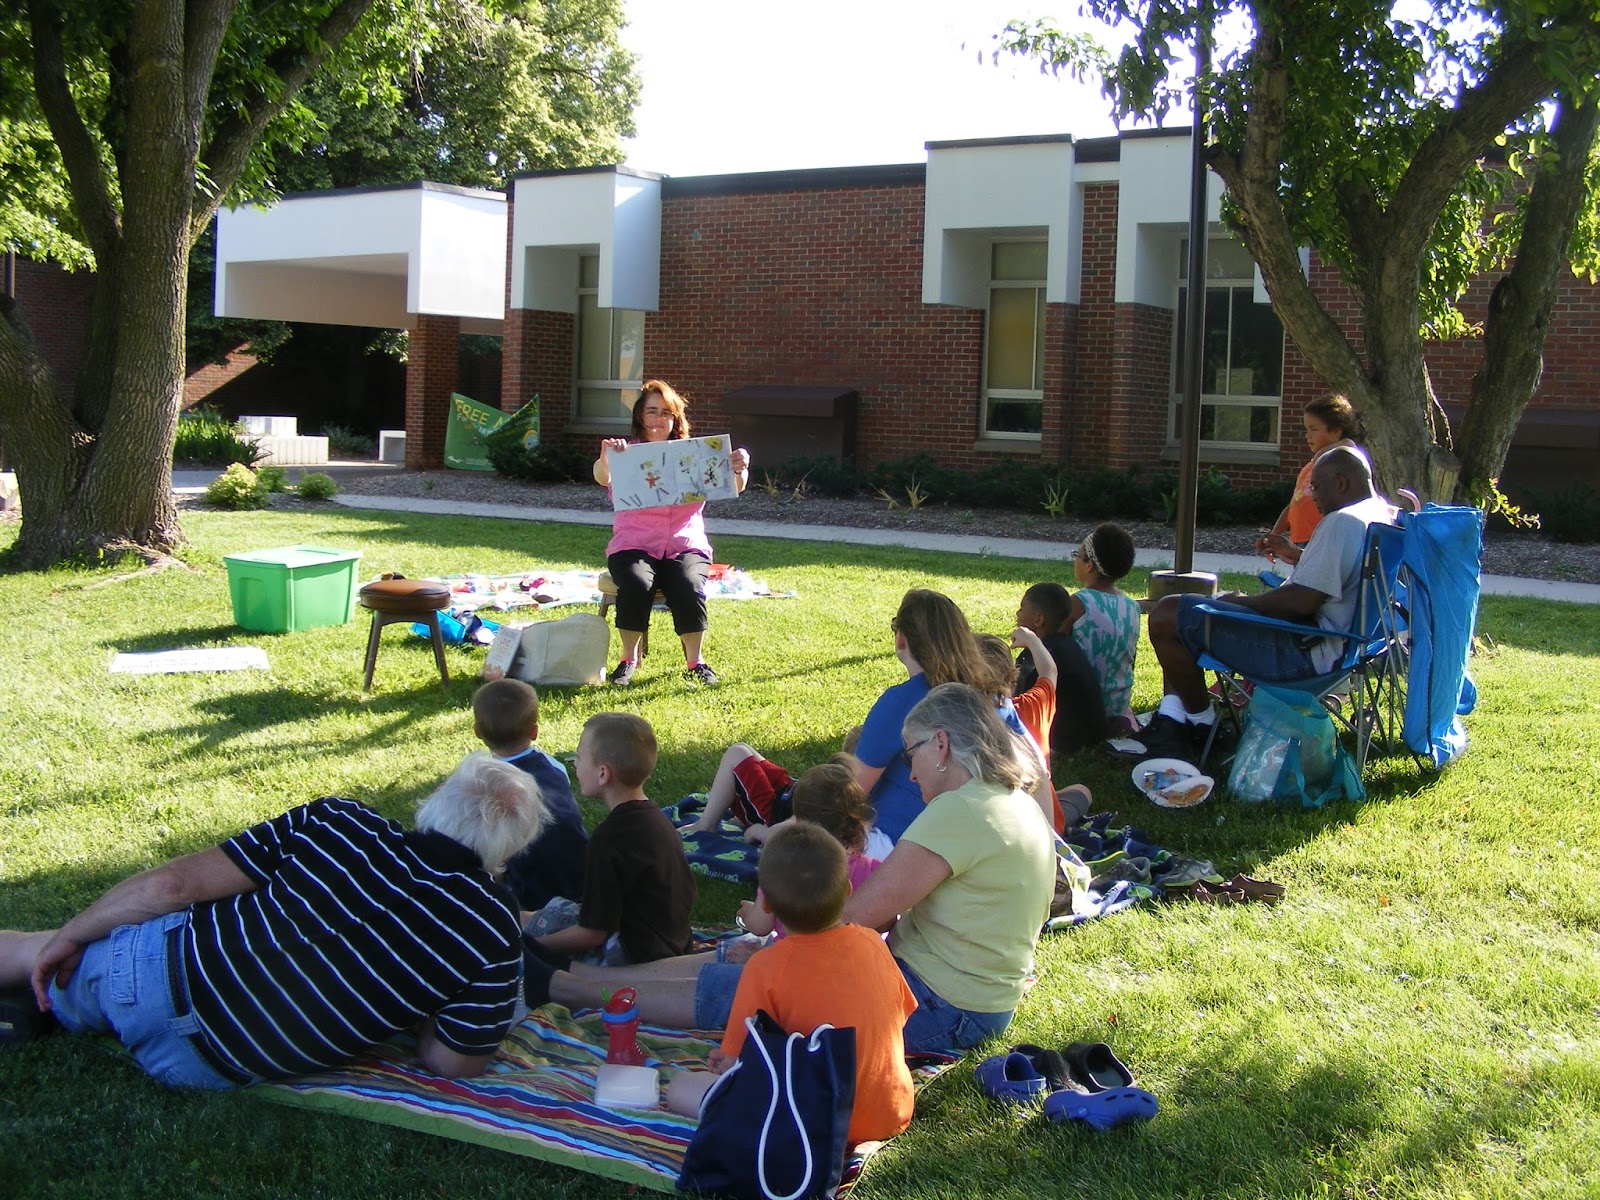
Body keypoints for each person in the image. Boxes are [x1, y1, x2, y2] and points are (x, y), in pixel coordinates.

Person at [0, 753, 544, 1086]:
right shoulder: (494, 926)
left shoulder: (341, 822)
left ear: (437, 802)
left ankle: (43, 981)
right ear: (508, 850)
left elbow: (174, 887)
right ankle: (41, 1006)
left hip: (146, 982)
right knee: (75, 980)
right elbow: (454, 1064)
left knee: (47, 952)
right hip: (207, 1068)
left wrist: (71, 932)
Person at [663, 822, 916, 1145]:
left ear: (766, 905)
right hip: (891, 1112)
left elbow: (737, 1060)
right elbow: (899, 1015)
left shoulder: (765, 967)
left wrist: (726, 1062)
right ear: (848, 890)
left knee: (681, 1087)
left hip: (811, 1123)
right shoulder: (875, 944)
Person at [1143, 446, 1398, 761]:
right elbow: (1345, 580)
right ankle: (1174, 720)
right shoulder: (1381, 514)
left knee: (1168, 614)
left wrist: (1246, 602)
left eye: (1315, 486)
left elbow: (1302, 602)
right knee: (1188, 611)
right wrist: (1298, 556)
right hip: (1348, 648)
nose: (1310, 495)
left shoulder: (1341, 522)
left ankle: (1202, 724)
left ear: (1341, 482)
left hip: (1304, 653)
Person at [844, 682, 1056, 1053]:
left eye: (911, 754)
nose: (910, 774)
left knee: (778, 986)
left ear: (941, 744)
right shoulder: (1015, 801)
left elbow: (855, 916)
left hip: (944, 1004)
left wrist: (780, 941)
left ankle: (709, 982)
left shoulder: (962, 810)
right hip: (982, 1002)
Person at [594, 380, 751, 687]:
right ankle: (628, 659)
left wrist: (739, 467)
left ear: (676, 418)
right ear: (640, 415)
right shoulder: (626, 454)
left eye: (666, 412)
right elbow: (603, 476)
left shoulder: (698, 454)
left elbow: (736, 485)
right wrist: (606, 458)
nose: (658, 419)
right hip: (633, 544)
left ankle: (696, 662)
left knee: (689, 585)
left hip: (685, 543)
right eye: (651, 412)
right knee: (637, 584)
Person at [522, 713, 695, 971]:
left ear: (603, 774)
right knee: (552, 913)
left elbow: (592, 934)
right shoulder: (655, 819)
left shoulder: (609, 840)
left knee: (537, 959)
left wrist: (530, 949)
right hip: (672, 939)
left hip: (637, 956)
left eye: (578, 757)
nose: (575, 765)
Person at [855, 589, 1015, 856]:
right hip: (990, 840)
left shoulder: (902, 702)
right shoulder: (997, 698)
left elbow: (851, 791)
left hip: (904, 844)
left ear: (901, 638)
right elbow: (1038, 775)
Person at [474, 678, 588, 911]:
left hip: (532, 892)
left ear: (477, 732)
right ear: (534, 731)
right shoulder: (553, 766)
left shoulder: (481, 781)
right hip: (583, 872)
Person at [975, 631, 1092, 832]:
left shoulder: (964, 722)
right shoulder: (1034, 704)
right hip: (1047, 824)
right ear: (1012, 676)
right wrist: (1032, 640)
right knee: (1082, 791)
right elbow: (1049, 671)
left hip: (1002, 827)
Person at [1256, 393, 1368, 567]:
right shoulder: (1314, 464)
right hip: (1301, 540)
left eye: (1314, 429)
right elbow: (1295, 503)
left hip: (1322, 539)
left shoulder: (1343, 460)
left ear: (1337, 430)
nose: (1307, 436)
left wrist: (1333, 446)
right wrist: (1275, 535)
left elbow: (1348, 445)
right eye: (1306, 429)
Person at [1013, 581, 1108, 756]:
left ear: (1038, 619)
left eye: (1022, 608)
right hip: (1092, 733)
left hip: (1063, 741)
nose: (1017, 613)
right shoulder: (1068, 644)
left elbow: (1020, 703)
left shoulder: (1037, 656)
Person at [1065, 523, 1142, 735]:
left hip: (1085, 708)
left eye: (1077, 555)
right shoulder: (1133, 607)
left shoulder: (1078, 603)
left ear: (1089, 565)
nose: (1075, 560)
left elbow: (1056, 649)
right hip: (1118, 706)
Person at [679, 741, 795, 840]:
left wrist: (761, 832)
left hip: (776, 816)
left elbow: (802, 826)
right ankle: (742, 812)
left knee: (736, 754)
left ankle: (705, 825)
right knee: (742, 747)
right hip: (790, 793)